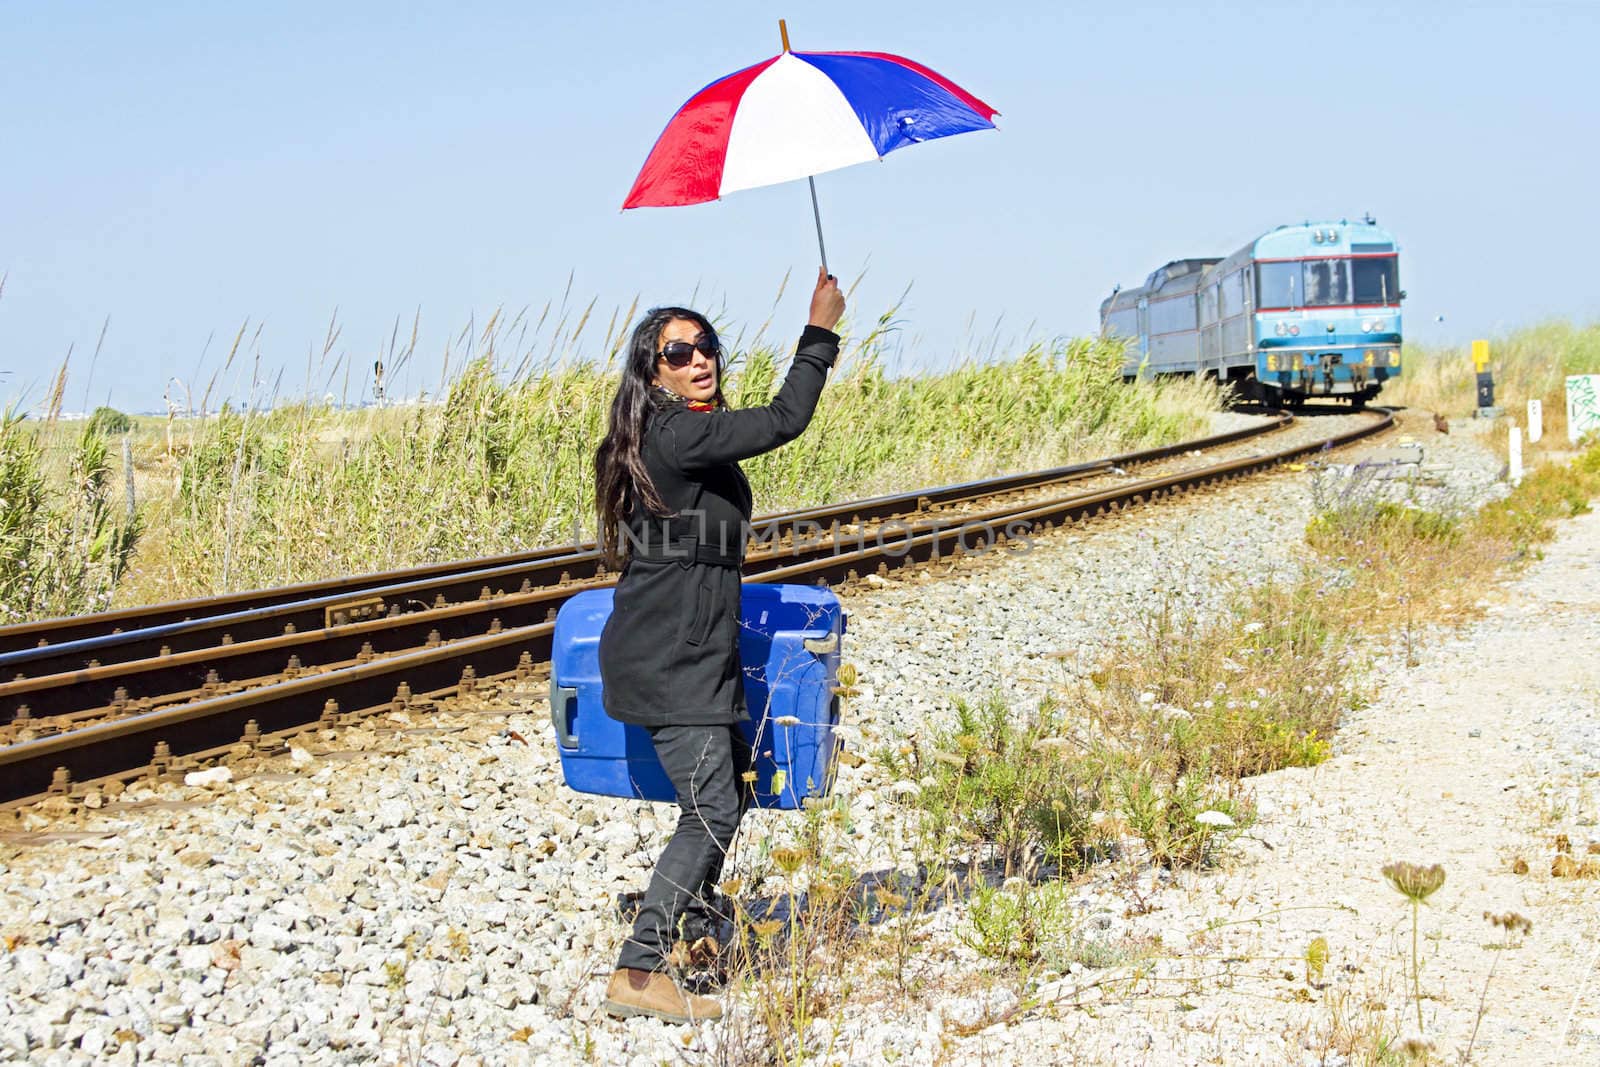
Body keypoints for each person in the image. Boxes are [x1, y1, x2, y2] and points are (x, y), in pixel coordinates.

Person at [592, 267, 846, 1023]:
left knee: (721, 793)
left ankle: (696, 930)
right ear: (651, 369)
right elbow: (779, 421)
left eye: (707, 346)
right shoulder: (673, 430)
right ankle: (638, 971)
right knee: (711, 807)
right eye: (678, 351)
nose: (699, 359)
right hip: (671, 652)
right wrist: (820, 332)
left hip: (689, 644)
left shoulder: (674, 434)